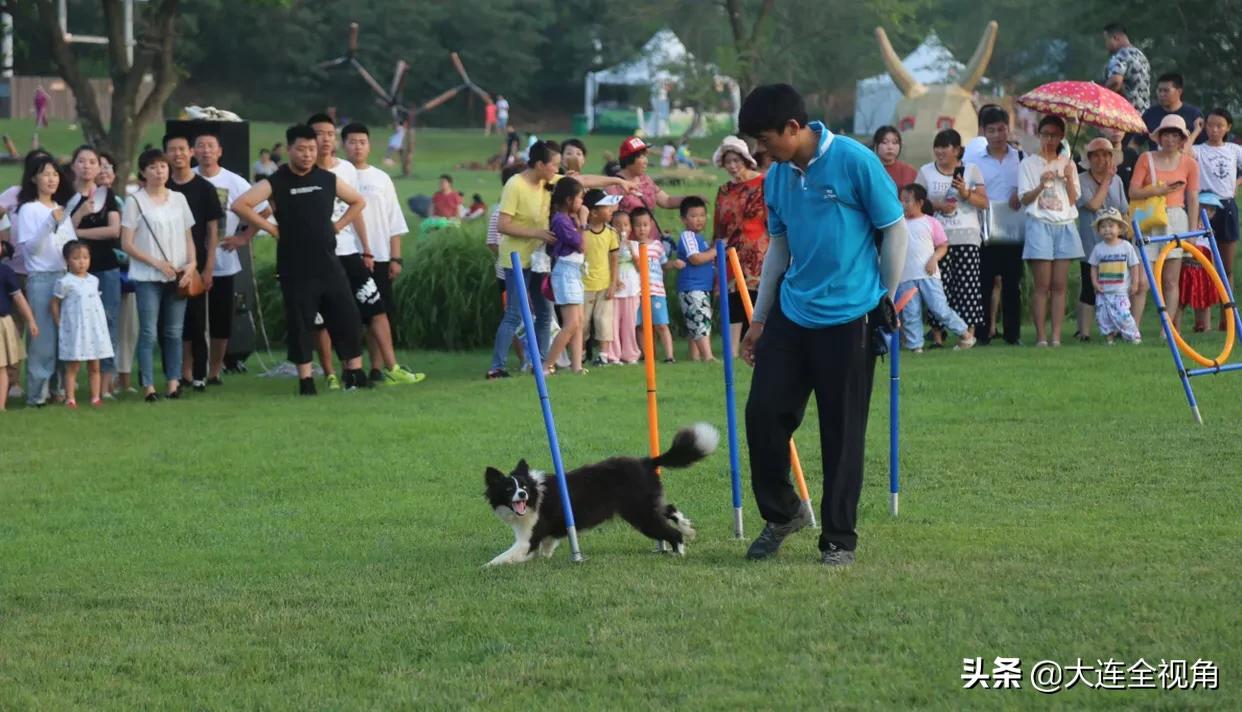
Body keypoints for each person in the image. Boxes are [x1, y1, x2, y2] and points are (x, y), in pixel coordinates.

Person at [738, 84, 908, 567]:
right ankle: (784, 510)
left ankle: (838, 537)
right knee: (763, 414)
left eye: (764, 140)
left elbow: (894, 228)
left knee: (842, 431)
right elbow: (779, 250)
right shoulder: (776, 178)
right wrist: (760, 319)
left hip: (850, 316)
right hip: (792, 314)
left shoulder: (854, 161)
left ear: (793, 128)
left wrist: (884, 300)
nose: (759, 151)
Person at [232, 124, 370, 395]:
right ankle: (306, 380)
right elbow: (240, 204)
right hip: (295, 266)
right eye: (301, 149)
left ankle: (354, 372)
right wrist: (271, 228)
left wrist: (338, 225)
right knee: (301, 323)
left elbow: (358, 201)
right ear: (289, 150)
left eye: (311, 149)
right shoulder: (277, 181)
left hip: (329, 263)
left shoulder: (327, 179)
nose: (307, 155)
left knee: (348, 317)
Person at [487, 140, 634, 379]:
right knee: (515, 312)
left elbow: (582, 182)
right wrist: (537, 233)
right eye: (554, 165)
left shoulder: (548, 180)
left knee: (545, 313)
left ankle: (541, 364)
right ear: (539, 164)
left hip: (541, 260)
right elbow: (503, 225)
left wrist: (617, 181)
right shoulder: (515, 185)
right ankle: (497, 366)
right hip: (516, 259)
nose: (557, 169)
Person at [341, 122, 424, 385]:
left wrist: (395, 257)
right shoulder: (337, 175)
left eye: (362, 141)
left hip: (379, 254)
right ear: (344, 145)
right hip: (346, 254)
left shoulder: (380, 178)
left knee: (380, 312)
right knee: (349, 314)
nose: (357, 146)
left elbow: (394, 221)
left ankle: (378, 368)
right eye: (352, 142)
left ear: (369, 145)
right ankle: (349, 368)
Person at [308, 113, 383, 390]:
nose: (324, 139)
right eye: (318, 133)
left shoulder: (346, 170)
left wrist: (366, 248)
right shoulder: (299, 171)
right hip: (314, 256)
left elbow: (357, 206)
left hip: (348, 250)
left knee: (352, 311)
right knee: (320, 318)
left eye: (329, 133)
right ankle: (328, 372)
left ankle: (355, 369)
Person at [120, 148, 199, 402]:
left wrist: (192, 264)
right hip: (147, 276)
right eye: (153, 167)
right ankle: (148, 386)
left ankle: (173, 383)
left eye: (162, 166)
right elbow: (127, 243)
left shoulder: (179, 199)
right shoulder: (135, 202)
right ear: (143, 172)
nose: (159, 171)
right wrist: (155, 262)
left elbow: (188, 237)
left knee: (174, 332)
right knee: (149, 333)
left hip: (177, 275)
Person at [193, 131, 266, 385]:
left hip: (224, 261)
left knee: (221, 319)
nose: (205, 151)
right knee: (192, 319)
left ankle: (214, 371)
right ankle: (191, 371)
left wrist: (245, 237)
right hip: (190, 260)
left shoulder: (235, 182)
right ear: (194, 151)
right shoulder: (187, 178)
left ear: (220, 151)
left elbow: (264, 209)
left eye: (210, 146)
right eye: (200, 146)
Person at [15, 154, 77, 406]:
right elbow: (32, 249)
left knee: (65, 335)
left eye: (55, 174)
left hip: (65, 276)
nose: (51, 179)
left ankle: (60, 389)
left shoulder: (61, 209)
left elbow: (69, 247)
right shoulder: (29, 209)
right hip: (41, 278)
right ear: (34, 178)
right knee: (42, 339)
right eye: (45, 174)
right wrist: (49, 223)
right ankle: (37, 394)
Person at [915, 129, 987, 347]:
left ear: (957, 150)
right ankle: (937, 337)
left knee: (968, 287)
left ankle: (968, 335)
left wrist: (965, 193)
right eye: (937, 146)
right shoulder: (926, 171)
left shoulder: (971, 170)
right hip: (936, 239)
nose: (939, 151)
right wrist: (937, 205)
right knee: (938, 288)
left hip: (967, 237)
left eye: (944, 147)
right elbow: (916, 202)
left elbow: (984, 202)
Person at [1130, 114, 1200, 333]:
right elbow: (1133, 191)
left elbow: (1193, 198)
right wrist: (1157, 190)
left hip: (1177, 218)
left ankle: (1166, 330)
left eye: (1175, 135)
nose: (1170, 139)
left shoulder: (1190, 163)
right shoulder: (1146, 158)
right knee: (1142, 281)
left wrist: (1192, 232)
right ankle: (1133, 329)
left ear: (1182, 139)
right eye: (1166, 134)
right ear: (1159, 137)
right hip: (1150, 217)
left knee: (1171, 280)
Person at [164, 133, 224, 392]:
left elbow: (213, 232)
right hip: (165, 264)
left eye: (182, 149)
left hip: (195, 263)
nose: (177, 154)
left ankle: (199, 374)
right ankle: (178, 374)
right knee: (170, 324)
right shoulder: (162, 187)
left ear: (191, 152)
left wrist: (208, 266)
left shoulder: (205, 188)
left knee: (197, 321)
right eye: (171, 150)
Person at [1018, 116, 1082, 346]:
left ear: (1062, 137)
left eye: (1054, 135)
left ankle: (1056, 336)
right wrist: (1041, 183)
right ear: (1039, 134)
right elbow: (1024, 199)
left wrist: (1067, 179)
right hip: (1040, 224)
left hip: (1064, 224)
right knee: (1042, 285)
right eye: (1045, 133)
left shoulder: (1068, 163)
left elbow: (1074, 200)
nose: (1049, 138)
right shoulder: (1028, 164)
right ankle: (1041, 337)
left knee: (1059, 286)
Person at [964, 106, 1024, 346]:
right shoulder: (973, 160)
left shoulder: (1021, 157)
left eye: (1001, 129)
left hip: (1013, 227)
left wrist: (1019, 192)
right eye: (992, 130)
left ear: (1008, 129)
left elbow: (1028, 185)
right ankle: (982, 333)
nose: (998, 134)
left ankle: (1013, 334)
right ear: (983, 132)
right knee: (984, 283)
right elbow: (966, 189)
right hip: (983, 227)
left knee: (1012, 284)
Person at [66, 145, 123, 396]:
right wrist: (79, 214)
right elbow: (60, 232)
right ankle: (67, 381)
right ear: (73, 166)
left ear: (99, 168)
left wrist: (78, 233)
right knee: (71, 324)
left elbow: (113, 231)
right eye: (82, 161)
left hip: (106, 268)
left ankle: (105, 384)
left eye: (92, 162)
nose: (87, 166)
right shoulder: (65, 195)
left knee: (107, 322)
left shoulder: (107, 195)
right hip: (73, 273)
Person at [896, 184, 975, 352]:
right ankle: (915, 346)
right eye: (901, 200)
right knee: (910, 314)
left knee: (940, 309)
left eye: (907, 200)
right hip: (906, 277)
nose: (903, 204)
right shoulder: (898, 224)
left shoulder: (931, 222)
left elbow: (942, 246)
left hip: (928, 275)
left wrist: (933, 259)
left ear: (920, 202)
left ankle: (965, 334)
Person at [712, 135, 769, 355]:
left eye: (736, 160)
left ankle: (760, 344)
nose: (733, 166)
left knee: (759, 296)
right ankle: (732, 350)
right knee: (733, 298)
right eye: (728, 162)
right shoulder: (724, 190)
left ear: (745, 159)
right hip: (731, 249)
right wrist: (715, 248)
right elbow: (719, 222)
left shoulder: (763, 183)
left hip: (758, 247)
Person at [1075, 137, 1130, 341]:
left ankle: (1116, 328)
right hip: (1091, 243)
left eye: (1106, 154)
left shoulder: (1118, 180)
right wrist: (1106, 180)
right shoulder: (1081, 180)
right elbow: (1093, 205)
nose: (1102, 159)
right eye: (1096, 155)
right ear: (1089, 159)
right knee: (1090, 288)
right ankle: (1085, 332)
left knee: (1115, 287)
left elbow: (1123, 209)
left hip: (1115, 243)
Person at [1193, 108, 1242, 329]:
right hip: (1204, 206)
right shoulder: (1199, 150)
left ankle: (1227, 317)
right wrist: (1196, 131)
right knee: (1200, 264)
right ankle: (1202, 321)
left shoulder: (1233, 150)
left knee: (1226, 267)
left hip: (1227, 206)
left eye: (1219, 126)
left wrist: (1236, 184)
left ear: (1228, 128)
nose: (1214, 130)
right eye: (1210, 125)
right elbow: (1183, 153)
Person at [52, 240, 113, 407]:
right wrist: (60, 323)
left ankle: (95, 396)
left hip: (93, 329)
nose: (82, 262)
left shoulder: (93, 280)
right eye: (76, 258)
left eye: (85, 258)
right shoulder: (65, 282)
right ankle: (70, 398)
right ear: (67, 260)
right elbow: (55, 303)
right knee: (73, 366)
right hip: (76, 329)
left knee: (94, 365)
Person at [541, 177, 587, 375]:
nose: (581, 203)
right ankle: (547, 365)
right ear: (569, 200)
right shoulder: (560, 220)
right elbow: (581, 243)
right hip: (566, 272)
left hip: (574, 271)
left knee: (579, 321)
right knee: (571, 323)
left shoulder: (568, 219)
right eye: (579, 199)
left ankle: (577, 366)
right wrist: (583, 222)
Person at [486, 162, 527, 367]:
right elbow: (492, 242)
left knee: (526, 315)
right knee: (513, 316)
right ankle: (517, 360)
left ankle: (530, 358)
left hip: (526, 269)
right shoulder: (500, 213)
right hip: (507, 273)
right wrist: (508, 257)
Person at [606, 136, 688, 237]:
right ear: (629, 159)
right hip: (630, 247)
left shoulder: (646, 180)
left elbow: (667, 201)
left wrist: (692, 199)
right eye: (642, 157)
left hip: (653, 242)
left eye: (646, 156)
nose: (646, 161)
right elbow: (607, 217)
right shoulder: (614, 186)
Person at [631, 207, 680, 363]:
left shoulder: (657, 245)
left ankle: (669, 356)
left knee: (661, 324)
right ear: (632, 227)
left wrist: (674, 264)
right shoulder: (631, 246)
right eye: (638, 225)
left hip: (656, 291)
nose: (642, 228)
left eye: (645, 224)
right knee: (640, 326)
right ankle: (646, 354)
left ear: (651, 224)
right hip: (637, 292)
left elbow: (664, 264)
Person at [1087, 208, 1143, 344]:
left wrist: (1135, 283)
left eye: (1111, 226)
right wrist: (1095, 283)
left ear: (1120, 229)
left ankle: (1133, 336)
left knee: (1124, 314)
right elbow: (1093, 267)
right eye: (1103, 227)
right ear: (1099, 230)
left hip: (1120, 291)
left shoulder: (1126, 247)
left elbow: (1134, 265)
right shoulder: (1098, 248)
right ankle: (1109, 339)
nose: (1107, 230)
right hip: (1103, 291)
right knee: (1103, 316)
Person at [582, 189, 622, 366]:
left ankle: (603, 355)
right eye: (606, 207)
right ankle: (581, 352)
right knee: (582, 322)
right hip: (584, 285)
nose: (611, 210)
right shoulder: (582, 232)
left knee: (603, 319)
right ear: (593, 212)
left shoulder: (611, 233)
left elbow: (614, 259)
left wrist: (613, 283)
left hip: (604, 285)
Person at [675, 196, 716, 362]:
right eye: (693, 216)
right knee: (700, 321)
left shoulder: (701, 239)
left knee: (696, 321)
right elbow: (695, 258)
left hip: (702, 286)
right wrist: (718, 249)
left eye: (702, 215)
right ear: (684, 219)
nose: (699, 219)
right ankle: (708, 357)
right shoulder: (688, 236)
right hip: (693, 287)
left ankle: (695, 356)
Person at [0, 255, 37, 410]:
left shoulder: (5, 271)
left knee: (1, 367)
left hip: (1, 321)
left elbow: (19, 297)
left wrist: (31, 320)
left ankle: (1, 406)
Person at [606, 210, 641, 364]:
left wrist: (631, 250)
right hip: (615, 290)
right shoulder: (609, 245)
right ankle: (613, 355)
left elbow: (640, 267)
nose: (622, 229)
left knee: (629, 324)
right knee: (612, 324)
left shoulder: (635, 245)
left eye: (625, 225)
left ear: (630, 227)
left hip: (632, 289)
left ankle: (631, 354)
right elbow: (607, 264)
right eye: (617, 225)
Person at [1142, 73, 1205, 148]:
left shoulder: (1194, 115)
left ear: (1179, 92)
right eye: (1159, 90)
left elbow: (1204, 145)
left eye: (1166, 91)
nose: (1161, 94)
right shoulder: (1150, 114)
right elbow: (1135, 142)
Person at [1102, 23, 1151, 114]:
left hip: (1125, 115)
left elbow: (1115, 81)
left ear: (1116, 38)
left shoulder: (1121, 55)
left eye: (1106, 40)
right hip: (1143, 115)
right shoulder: (1141, 56)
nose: (1106, 45)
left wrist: (1102, 96)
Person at [873, 126, 917, 194]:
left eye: (894, 142)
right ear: (876, 145)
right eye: (885, 142)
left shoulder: (909, 171)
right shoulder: (868, 169)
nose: (890, 147)